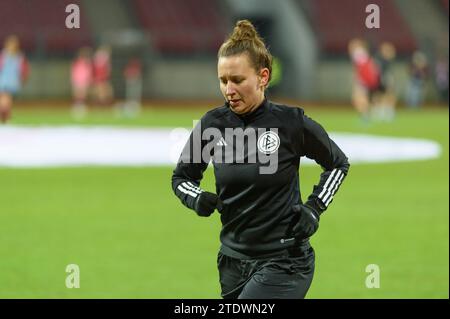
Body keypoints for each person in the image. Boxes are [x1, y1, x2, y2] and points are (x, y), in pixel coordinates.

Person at [171, 20, 350, 299]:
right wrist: (195, 197)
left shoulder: (291, 122)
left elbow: (338, 163)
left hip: (284, 261)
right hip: (232, 261)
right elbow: (181, 178)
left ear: (263, 77)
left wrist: (315, 207)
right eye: (223, 80)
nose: (229, 89)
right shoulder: (212, 126)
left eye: (238, 80)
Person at [348, 38, 381, 123]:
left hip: (363, 80)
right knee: (363, 98)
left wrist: (358, 79)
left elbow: (360, 68)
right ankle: (368, 114)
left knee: (358, 98)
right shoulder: (363, 54)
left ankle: (366, 115)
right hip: (367, 80)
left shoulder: (358, 53)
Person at [0, 35, 29, 124]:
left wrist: (23, 78)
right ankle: (5, 114)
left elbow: (24, 69)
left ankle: (5, 113)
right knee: (5, 98)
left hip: (13, 81)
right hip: (3, 79)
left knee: (7, 99)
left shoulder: (19, 57)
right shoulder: (3, 56)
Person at [373, 41, 397, 122]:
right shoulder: (379, 58)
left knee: (387, 94)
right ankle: (381, 111)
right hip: (381, 79)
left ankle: (387, 111)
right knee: (381, 95)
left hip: (385, 78)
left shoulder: (385, 59)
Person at [70, 47, 93, 120]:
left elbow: (89, 72)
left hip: (84, 81)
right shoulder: (76, 63)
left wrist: (89, 80)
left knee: (83, 95)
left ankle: (82, 106)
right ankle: (77, 107)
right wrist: (73, 79)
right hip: (77, 80)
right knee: (77, 94)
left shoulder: (87, 63)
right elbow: (73, 71)